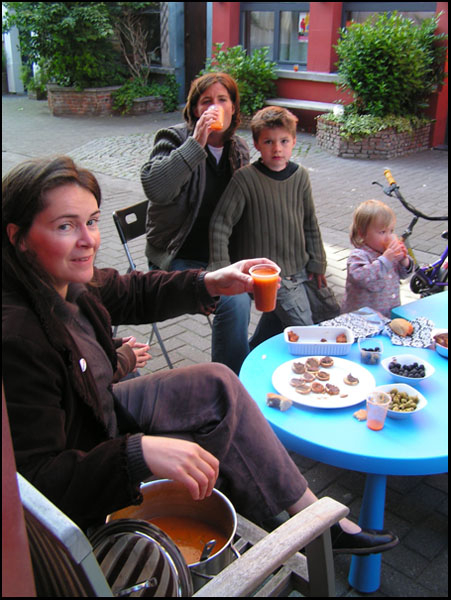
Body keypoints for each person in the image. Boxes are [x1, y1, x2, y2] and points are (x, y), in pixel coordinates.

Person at [2, 156, 398, 555]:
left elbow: (133, 290)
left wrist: (210, 282)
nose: (88, 239)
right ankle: (264, 513)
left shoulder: (63, 280)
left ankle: (313, 518)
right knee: (215, 440)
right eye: (65, 226)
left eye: (91, 221)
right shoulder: (19, 337)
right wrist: (137, 452)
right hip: (92, 445)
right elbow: (37, 481)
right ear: (19, 237)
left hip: (103, 406)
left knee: (218, 380)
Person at [140, 72, 252, 374]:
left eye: (222, 100)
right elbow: (155, 188)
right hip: (178, 258)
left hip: (222, 257)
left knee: (286, 282)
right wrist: (195, 144)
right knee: (236, 301)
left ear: (233, 108)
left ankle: (247, 364)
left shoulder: (238, 149)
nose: (214, 107)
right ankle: (227, 384)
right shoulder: (173, 139)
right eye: (206, 102)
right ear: (194, 110)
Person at [209, 106, 331, 348]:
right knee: (305, 330)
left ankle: (252, 355)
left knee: (327, 315)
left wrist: (318, 262)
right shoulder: (245, 179)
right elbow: (220, 225)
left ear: (294, 141)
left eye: (284, 141)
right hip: (269, 276)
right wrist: (222, 269)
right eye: (268, 142)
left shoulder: (300, 176)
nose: (277, 148)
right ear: (256, 144)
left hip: (301, 269)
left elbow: (309, 220)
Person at [342, 199, 413, 317]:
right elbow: (360, 277)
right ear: (362, 233)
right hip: (362, 318)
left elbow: (404, 275)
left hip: (388, 314)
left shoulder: (388, 254)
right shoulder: (359, 255)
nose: (389, 237)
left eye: (391, 231)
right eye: (382, 232)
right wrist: (385, 260)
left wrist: (403, 260)